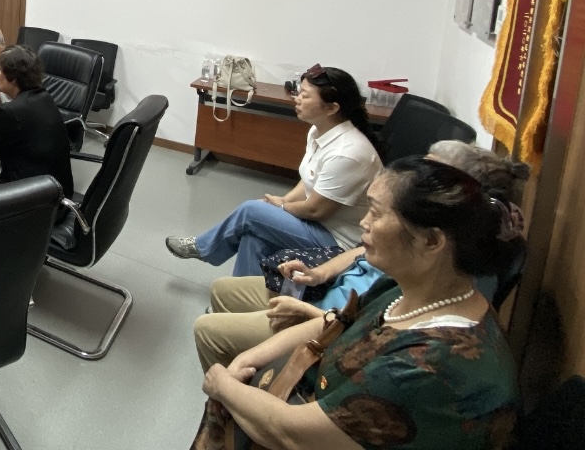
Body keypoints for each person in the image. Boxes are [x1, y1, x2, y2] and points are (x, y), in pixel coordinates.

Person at [175, 156, 523, 450]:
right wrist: (248, 358)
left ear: (431, 241)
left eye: (376, 212)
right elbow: (337, 322)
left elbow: (295, 436)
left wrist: (222, 384)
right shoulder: (410, 287)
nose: (363, 223)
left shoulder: (429, 367)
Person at [192, 141, 530, 372]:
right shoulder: (412, 254)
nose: (365, 223)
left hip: (335, 326)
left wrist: (314, 316)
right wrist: (319, 274)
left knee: (210, 326)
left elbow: (371, 337)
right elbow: (360, 264)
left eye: (432, 176)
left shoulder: (441, 274)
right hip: (334, 306)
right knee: (225, 285)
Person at [166, 65, 384, 277]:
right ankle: (239, 297)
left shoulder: (347, 153)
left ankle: (203, 247)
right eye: (299, 92)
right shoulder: (318, 131)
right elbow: (309, 179)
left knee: (251, 211)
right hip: (318, 226)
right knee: (254, 237)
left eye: (305, 96)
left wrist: (281, 206)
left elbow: (315, 211)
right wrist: (284, 201)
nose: (297, 99)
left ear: (332, 108)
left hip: (339, 243)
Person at [0, 45, 72, 195]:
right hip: (55, 190)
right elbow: (2, 126)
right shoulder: (43, 97)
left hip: (30, 196)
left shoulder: (11, 112)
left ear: (13, 78)